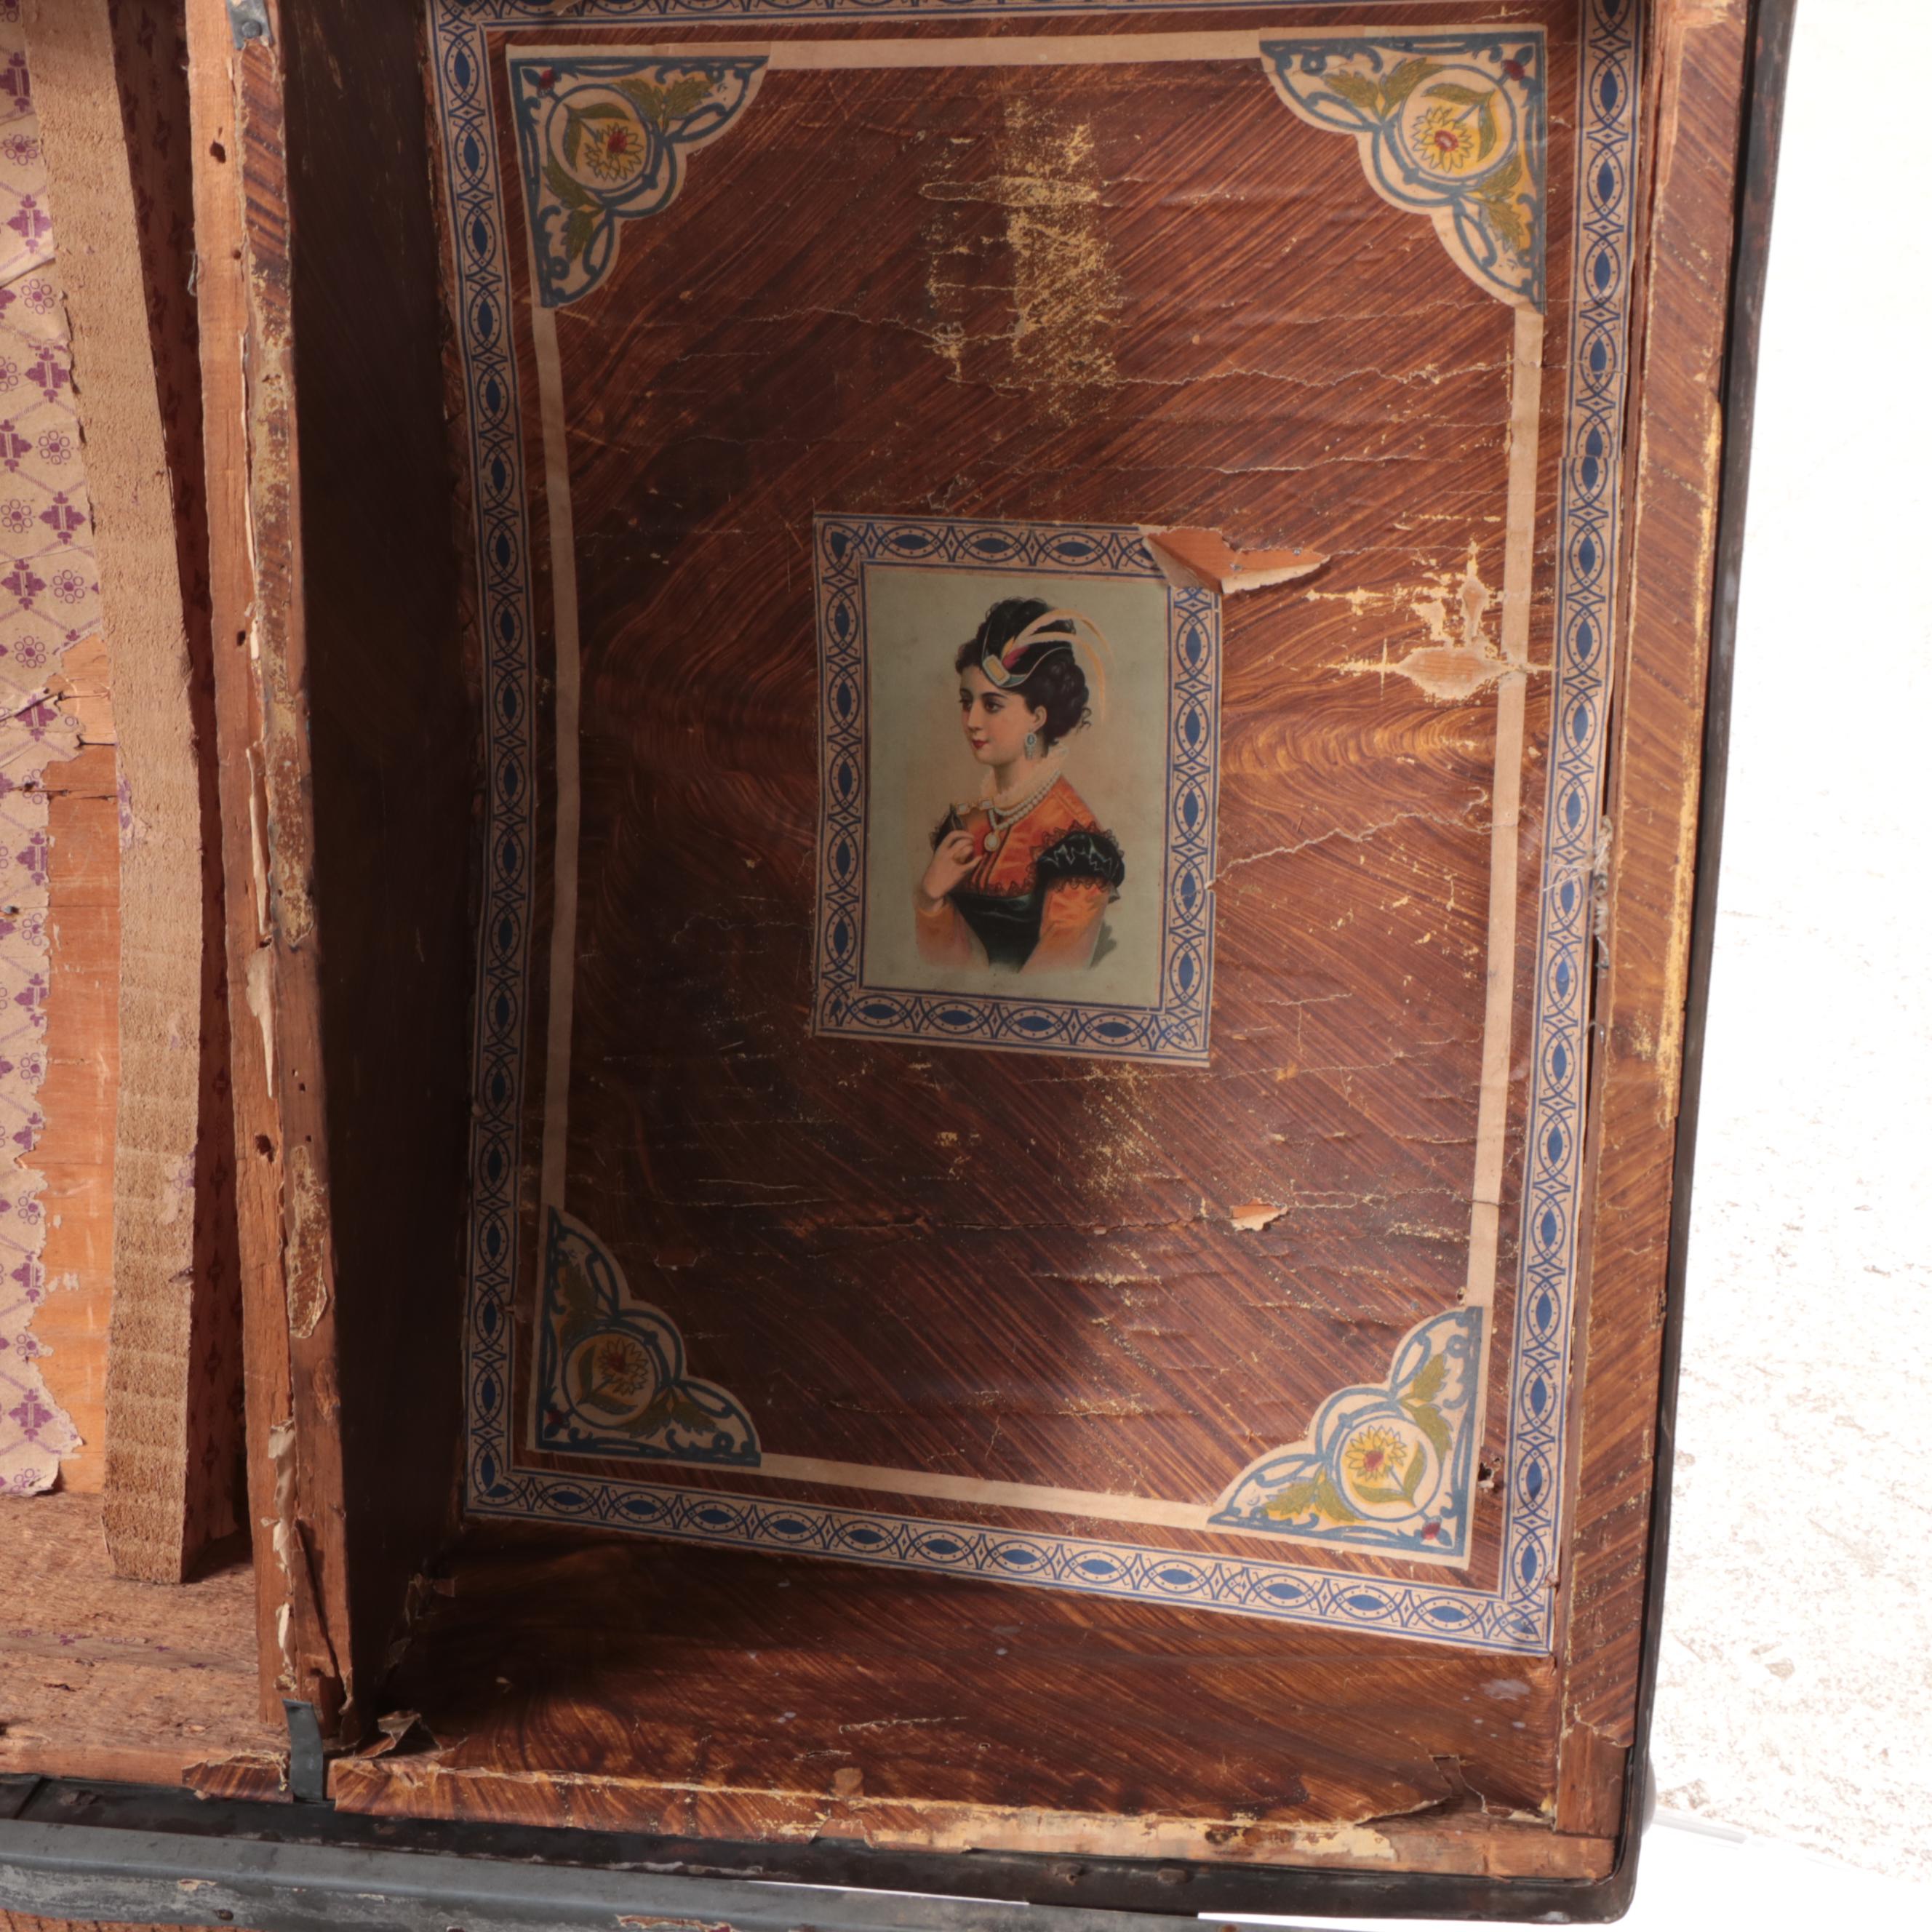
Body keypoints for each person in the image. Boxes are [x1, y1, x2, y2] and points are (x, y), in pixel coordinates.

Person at [915, 597, 1124, 974]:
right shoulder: (965, 825)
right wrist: (930, 900)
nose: (972, 721)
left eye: (992, 705)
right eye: (967, 702)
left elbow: (1050, 989)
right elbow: (937, 977)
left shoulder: (1076, 848)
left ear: (1037, 718)